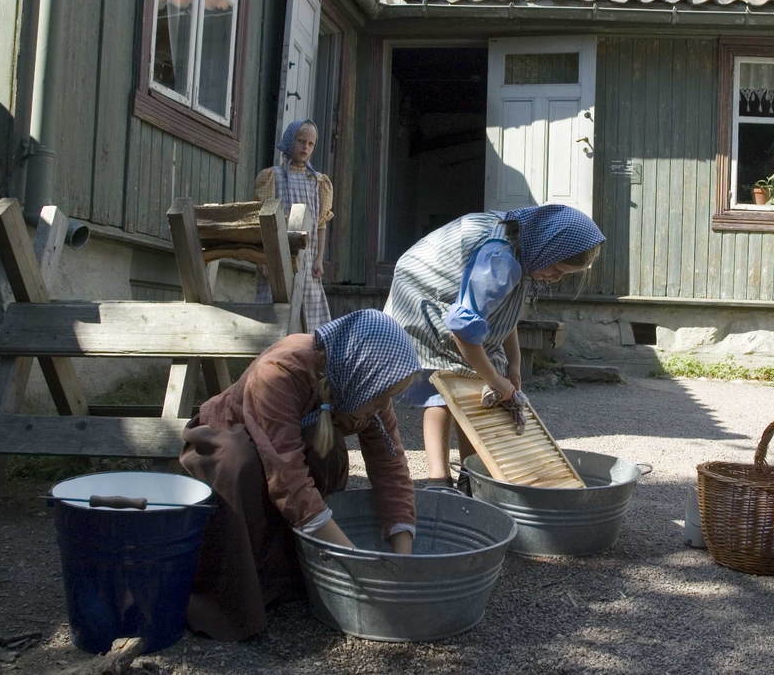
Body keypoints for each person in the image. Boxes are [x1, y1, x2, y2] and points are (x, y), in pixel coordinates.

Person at [179, 309, 420, 641]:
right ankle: (236, 598)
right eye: (379, 400)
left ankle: (292, 574)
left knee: (326, 450)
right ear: (359, 375)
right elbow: (287, 478)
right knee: (242, 464)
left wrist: (401, 561)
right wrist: (356, 563)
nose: (383, 408)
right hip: (224, 447)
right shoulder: (278, 373)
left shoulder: (364, 386)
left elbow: (390, 466)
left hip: (280, 446)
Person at [384, 205, 605, 491]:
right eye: (557, 269)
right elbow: (464, 329)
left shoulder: (526, 250)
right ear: (546, 245)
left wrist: (513, 365)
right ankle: (438, 479)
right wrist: (495, 379)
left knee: (477, 392)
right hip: (425, 295)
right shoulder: (500, 260)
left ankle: (472, 472)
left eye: (565, 274)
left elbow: (500, 313)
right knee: (442, 391)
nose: (556, 278)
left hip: (460, 306)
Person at [254, 119, 333, 329]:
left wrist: (319, 259)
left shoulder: (318, 182)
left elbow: (321, 223)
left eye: (310, 144)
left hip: (307, 261)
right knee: (276, 312)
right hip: (277, 257)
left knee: (308, 316)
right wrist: (262, 257)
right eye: (300, 141)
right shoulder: (273, 177)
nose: (305, 147)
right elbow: (262, 221)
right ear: (291, 141)